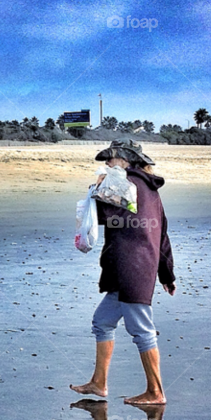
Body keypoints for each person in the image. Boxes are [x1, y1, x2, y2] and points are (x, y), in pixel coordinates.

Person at [71, 138, 176, 405]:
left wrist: (97, 191)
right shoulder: (150, 189)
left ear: (125, 160)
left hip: (132, 268)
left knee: (142, 330)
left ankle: (155, 392)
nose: (107, 162)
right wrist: (167, 274)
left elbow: (108, 217)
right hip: (134, 268)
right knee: (102, 321)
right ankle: (99, 383)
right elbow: (161, 233)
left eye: (111, 158)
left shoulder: (125, 183)